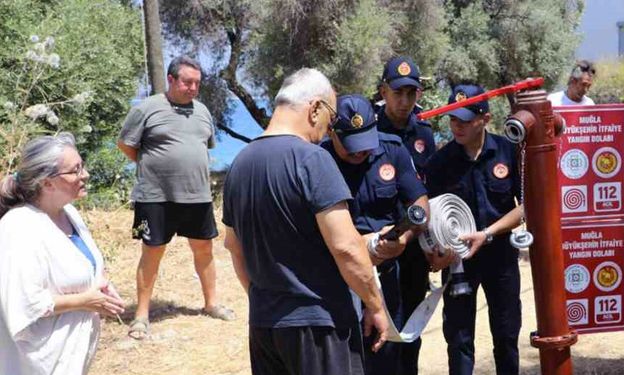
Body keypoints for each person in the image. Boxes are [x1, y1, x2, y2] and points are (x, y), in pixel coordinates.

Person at [222, 68, 388, 375]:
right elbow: (347, 248)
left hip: (264, 327)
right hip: (319, 327)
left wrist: (265, 300)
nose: (328, 130)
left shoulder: (239, 165)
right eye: (331, 118)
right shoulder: (312, 159)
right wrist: (375, 305)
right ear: (314, 109)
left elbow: (234, 247)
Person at [321, 94, 441, 375]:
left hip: (386, 277)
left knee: (387, 356)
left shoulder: (392, 149)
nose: (360, 154)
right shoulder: (317, 158)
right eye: (351, 148)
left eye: (365, 145)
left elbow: (420, 204)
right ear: (332, 132)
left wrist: (404, 238)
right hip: (338, 276)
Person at [117, 55, 233, 340]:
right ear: (170, 79)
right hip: (155, 196)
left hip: (197, 195)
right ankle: (141, 316)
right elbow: (126, 144)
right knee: (152, 251)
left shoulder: (203, 112)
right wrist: (152, 168)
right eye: (187, 82)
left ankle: (211, 304)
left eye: (197, 83)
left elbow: (203, 147)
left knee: (204, 249)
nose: (193, 88)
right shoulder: (146, 109)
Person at [0, 132, 125, 375]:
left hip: (70, 358)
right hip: (35, 363)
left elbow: (81, 266)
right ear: (47, 182)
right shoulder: (19, 228)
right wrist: (86, 301)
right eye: (75, 170)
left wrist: (99, 285)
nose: (85, 175)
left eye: (82, 166)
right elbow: (24, 304)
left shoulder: (69, 214)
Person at [424, 83, 524, 375]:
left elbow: (525, 206)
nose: (457, 126)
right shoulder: (439, 163)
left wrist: (488, 233)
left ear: (486, 119)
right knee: (459, 340)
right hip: (458, 261)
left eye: (466, 120)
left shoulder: (508, 151)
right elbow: (430, 216)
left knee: (506, 336)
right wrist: (437, 250)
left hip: (501, 258)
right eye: (453, 119)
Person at [376, 55, 437, 374]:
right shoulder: (368, 131)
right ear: (384, 91)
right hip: (379, 245)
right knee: (380, 332)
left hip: (414, 249)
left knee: (411, 330)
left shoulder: (424, 135)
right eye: (397, 93)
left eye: (411, 94)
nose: (404, 101)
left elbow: (433, 194)